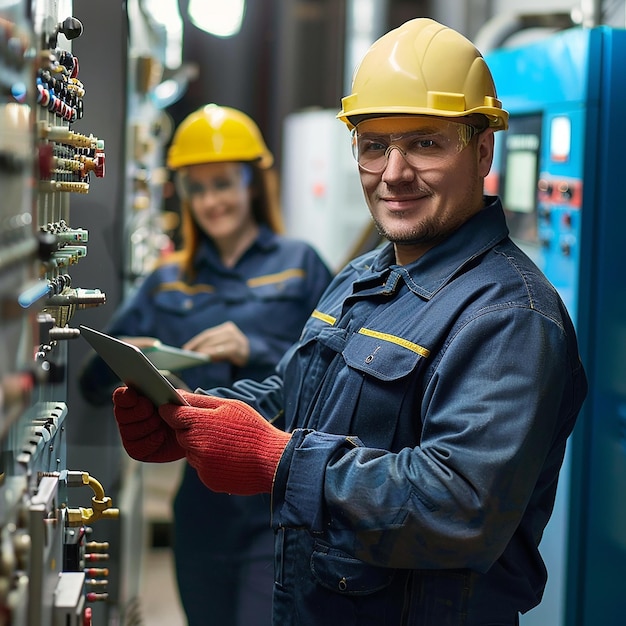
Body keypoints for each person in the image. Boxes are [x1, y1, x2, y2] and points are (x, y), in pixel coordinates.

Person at [110, 19, 588, 625]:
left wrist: (279, 461)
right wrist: (186, 414)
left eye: (426, 143)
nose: (393, 172)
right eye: (373, 145)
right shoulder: (361, 276)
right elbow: (289, 395)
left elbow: (458, 507)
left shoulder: (510, 316)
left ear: (483, 149)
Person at [79, 104, 333, 626]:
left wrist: (254, 350)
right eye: (197, 188)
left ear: (252, 183)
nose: (211, 200)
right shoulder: (167, 279)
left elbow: (336, 368)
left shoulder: (301, 264)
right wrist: (137, 356)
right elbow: (90, 381)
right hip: (200, 503)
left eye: (222, 183)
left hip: (277, 500)